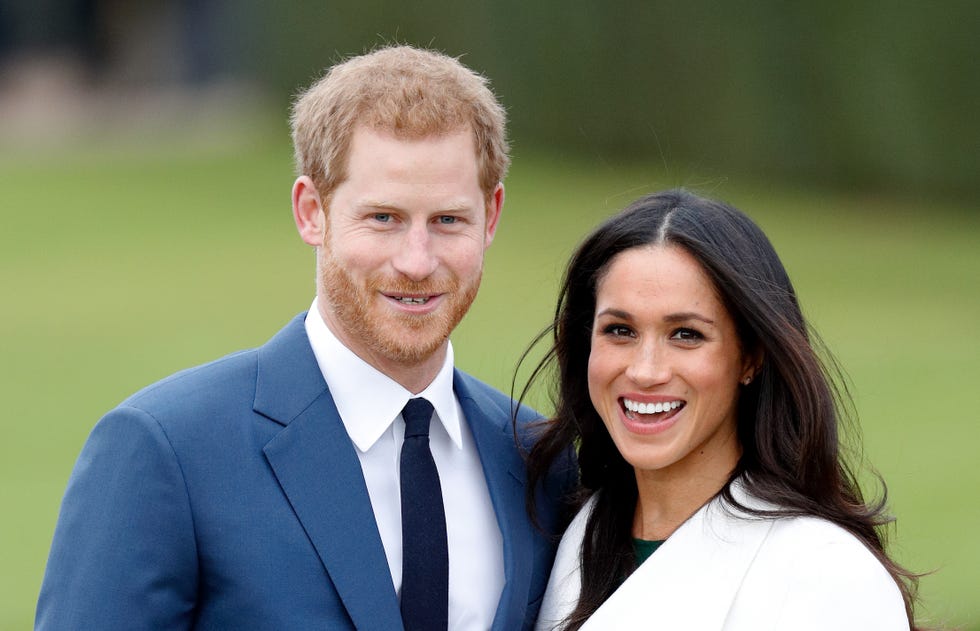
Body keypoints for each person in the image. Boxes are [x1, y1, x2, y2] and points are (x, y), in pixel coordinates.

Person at [36, 45, 572, 631]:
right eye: (383, 218)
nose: (417, 262)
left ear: (491, 217)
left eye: (448, 220)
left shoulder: (537, 459)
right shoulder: (168, 451)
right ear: (311, 210)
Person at [522, 190, 919, 630]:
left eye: (686, 335)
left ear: (750, 357)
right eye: (620, 330)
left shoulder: (825, 573)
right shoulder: (571, 533)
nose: (645, 370)